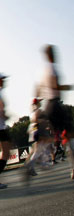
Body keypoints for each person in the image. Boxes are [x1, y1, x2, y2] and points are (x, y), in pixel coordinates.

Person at [36, 44, 74, 179]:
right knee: (70, 134)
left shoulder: (44, 71)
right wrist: (69, 86)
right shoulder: (52, 68)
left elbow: (38, 90)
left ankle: (32, 162)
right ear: (51, 54)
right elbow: (55, 86)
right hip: (55, 103)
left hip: (48, 105)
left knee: (53, 138)